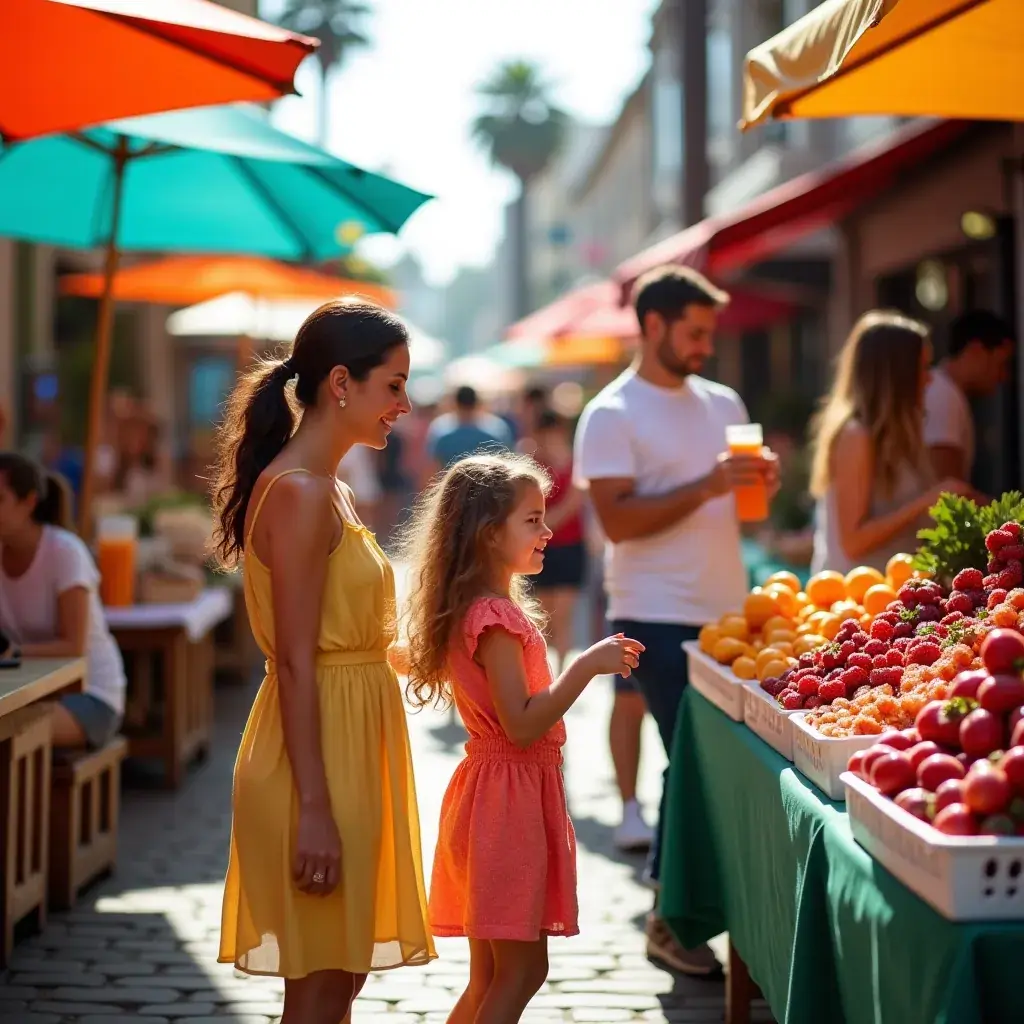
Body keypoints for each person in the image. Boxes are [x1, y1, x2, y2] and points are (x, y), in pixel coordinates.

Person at [211, 299, 435, 1024]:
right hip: (320, 761)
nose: (404, 404)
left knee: (338, 984)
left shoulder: (330, 488)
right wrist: (314, 809)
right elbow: (301, 662)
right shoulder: (304, 495)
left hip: (350, 745)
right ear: (342, 382)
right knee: (318, 992)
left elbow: (346, 635)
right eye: (393, 385)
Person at [574, 265, 778, 975]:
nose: (704, 346)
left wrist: (758, 486)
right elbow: (619, 522)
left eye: (708, 333)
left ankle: (692, 911)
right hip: (649, 613)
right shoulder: (611, 413)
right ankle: (671, 917)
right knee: (689, 756)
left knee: (706, 760)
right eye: (693, 332)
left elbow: (739, 506)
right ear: (653, 324)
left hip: (728, 613)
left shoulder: (724, 402)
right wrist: (708, 484)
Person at [400, 453, 643, 1024]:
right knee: (521, 971)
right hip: (506, 804)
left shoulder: (473, 608)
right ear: (489, 536)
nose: (548, 530)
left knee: (489, 975)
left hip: (490, 795)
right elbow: (523, 722)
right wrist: (584, 667)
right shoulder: (496, 618)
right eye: (531, 520)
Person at [810, 310, 974, 574]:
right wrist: (927, 501)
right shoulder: (856, 436)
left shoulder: (901, 432)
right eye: (922, 367)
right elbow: (853, 542)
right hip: (858, 601)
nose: (930, 378)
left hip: (897, 598)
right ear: (896, 375)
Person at [0, 453, 126, 749]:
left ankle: (26, 797)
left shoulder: (64, 552)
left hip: (90, 695)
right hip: (30, 692)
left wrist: (12, 654)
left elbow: (73, 646)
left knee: (11, 732)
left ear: (29, 502)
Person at [925, 309, 1015, 482]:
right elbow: (947, 492)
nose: (1004, 376)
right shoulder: (943, 396)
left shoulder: (947, 392)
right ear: (976, 350)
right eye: (1002, 364)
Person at [530, 409, 586, 669]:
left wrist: (542, 525)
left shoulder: (575, 465)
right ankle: (545, 672)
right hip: (538, 548)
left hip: (569, 545)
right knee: (543, 617)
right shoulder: (533, 464)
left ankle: (561, 671)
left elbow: (574, 503)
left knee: (562, 616)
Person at [425, 385, 513, 476]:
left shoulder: (440, 430)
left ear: (455, 404)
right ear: (477, 403)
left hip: (452, 487)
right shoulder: (497, 430)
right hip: (489, 488)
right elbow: (506, 465)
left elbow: (432, 467)